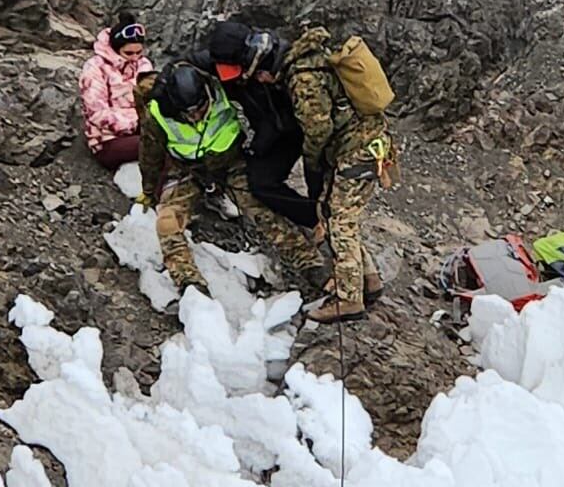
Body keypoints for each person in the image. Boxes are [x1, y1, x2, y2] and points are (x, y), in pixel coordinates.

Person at [134, 60, 327, 298]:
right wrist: (150, 189)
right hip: (189, 171)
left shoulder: (222, 87)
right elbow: (149, 154)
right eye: (188, 113)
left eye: (200, 108)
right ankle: (190, 283)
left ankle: (310, 264)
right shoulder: (158, 114)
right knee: (167, 220)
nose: (196, 116)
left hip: (232, 162)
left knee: (259, 209)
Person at [278, 26, 394, 324]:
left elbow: (318, 129)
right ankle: (369, 280)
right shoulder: (320, 56)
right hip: (373, 142)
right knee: (342, 216)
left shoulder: (303, 77)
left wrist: (312, 161)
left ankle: (348, 299)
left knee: (338, 220)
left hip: (357, 150)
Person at [197, 21, 321, 230]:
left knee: (320, 189)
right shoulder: (227, 57)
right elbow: (191, 62)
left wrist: (314, 158)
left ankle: (326, 220)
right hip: (276, 134)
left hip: (309, 134)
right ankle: (312, 219)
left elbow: (313, 125)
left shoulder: (288, 67)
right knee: (261, 184)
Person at [80, 12, 154, 169]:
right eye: (129, 53)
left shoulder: (143, 64)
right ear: (115, 48)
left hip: (143, 129)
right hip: (107, 140)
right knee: (155, 147)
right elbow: (98, 113)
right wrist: (136, 121)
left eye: (139, 52)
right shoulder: (95, 68)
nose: (135, 58)